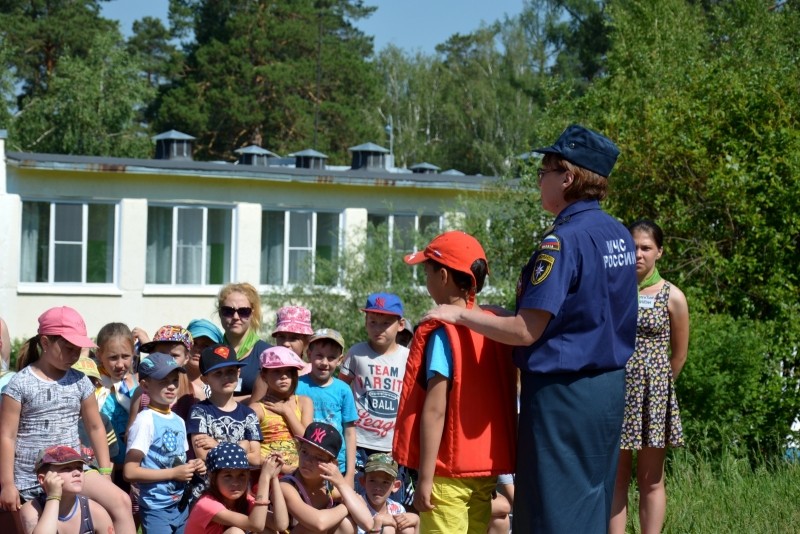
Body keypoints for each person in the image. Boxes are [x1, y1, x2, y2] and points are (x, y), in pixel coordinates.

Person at [421, 125, 638, 533]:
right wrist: (496, 314)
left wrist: (460, 315)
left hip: (563, 395)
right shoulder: (618, 234)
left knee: (550, 511)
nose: (540, 181)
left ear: (567, 177)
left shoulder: (562, 241)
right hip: (608, 389)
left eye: (544, 172)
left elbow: (525, 332)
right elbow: (581, 312)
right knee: (591, 503)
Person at [394, 231, 517, 533]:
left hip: (447, 472)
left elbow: (435, 410)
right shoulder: (496, 328)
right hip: (484, 470)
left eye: (427, 272)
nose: (426, 280)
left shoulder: (443, 334)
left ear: (444, 276)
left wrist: (424, 479)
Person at [0, 306, 135, 534]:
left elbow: (95, 427)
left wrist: (104, 472)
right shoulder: (19, 384)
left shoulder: (80, 381)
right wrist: (7, 484)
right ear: (45, 342)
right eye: (69, 348)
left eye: (78, 349)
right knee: (35, 524)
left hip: (75, 469)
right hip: (31, 478)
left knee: (121, 501)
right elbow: (7, 435)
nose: (74, 355)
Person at [610, 219, 689, 534]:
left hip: (653, 396)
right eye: (633, 247)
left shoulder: (673, 296)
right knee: (616, 478)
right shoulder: (613, 290)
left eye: (646, 248)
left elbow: (679, 355)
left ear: (660, 252)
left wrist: (658, 388)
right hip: (615, 390)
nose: (638, 254)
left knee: (651, 479)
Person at [339, 293, 411, 501]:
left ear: (400, 325)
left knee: (390, 502)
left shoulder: (408, 357)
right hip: (359, 443)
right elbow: (341, 390)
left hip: (392, 446)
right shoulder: (356, 353)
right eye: (373, 322)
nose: (378, 328)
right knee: (357, 499)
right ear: (365, 322)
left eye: (386, 323)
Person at [123, 353, 206, 533]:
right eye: (163, 381)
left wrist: (193, 465)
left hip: (181, 504)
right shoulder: (145, 421)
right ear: (145, 385)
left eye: (175, 380)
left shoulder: (179, 421)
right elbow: (130, 471)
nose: (171, 386)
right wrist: (174, 473)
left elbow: (178, 461)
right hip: (156, 508)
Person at [281, 422, 373, 533]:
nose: (308, 461)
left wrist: (341, 484)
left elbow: (368, 523)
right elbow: (320, 523)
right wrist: (346, 506)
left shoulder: (329, 486)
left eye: (318, 457)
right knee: (311, 528)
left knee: (346, 524)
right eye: (304, 452)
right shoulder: (287, 485)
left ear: (333, 464)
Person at [297, 329, 358, 485]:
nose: (324, 362)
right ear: (309, 355)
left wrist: (350, 474)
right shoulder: (297, 386)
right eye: (319, 356)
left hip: (335, 466)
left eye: (331, 358)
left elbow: (350, 432)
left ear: (340, 360)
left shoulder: (344, 390)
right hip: (304, 463)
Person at [185, 442, 288, 534]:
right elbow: (256, 525)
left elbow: (281, 525)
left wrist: (274, 477)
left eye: (241, 475)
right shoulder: (207, 504)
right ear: (213, 477)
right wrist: (264, 477)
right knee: (235, 532)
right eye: (228, 476)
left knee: (268, 531)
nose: (235, 483)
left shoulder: (244, 500)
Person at [187, 344, 262, 466]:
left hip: (241, 478)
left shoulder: (249, 414)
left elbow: (256, 459)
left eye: (230, 371)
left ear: (238, 373)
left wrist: (217, 445)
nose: (226, 377)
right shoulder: (199, 411)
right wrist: (241, 448)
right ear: (205, 379)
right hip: (211, 478)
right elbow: (203, 455)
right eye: (218, 373)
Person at [19, 445, 114, 534]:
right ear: (43, 479)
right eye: (67, 468)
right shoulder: (32, 509)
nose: (77, 473)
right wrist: (53, 497)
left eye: (79, 468)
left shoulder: (95, 512)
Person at [250, 346, 312, 473]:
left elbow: (308, 441)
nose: (284, 376)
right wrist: (284, 469)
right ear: (263, 375)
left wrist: (287, 412)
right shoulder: (257, 409)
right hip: (268, 474)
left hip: (300, 474)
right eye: (276, 371)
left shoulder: (304, 402)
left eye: (289, 371)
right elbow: (252, 454)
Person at [93, 323, 138, 473]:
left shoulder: (139, 384)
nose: (120, 364)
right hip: (103, 465)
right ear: (99, 354)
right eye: (113, 358)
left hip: (133, 464)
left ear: (133, 352)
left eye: (125, 356)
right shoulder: (93, 384)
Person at [217, 283, 271, 403]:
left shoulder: (269, 354)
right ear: (220, 313)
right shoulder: (210, 353)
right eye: (228, 311)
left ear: (252, 314)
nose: (236, 317)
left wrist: (228, 402)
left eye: (243, 311)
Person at [250, 305, 315, 403]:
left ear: (306, 341)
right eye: (281, 337)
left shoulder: (313, 372)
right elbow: (254, 408)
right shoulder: (268, 373)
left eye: (294, 338)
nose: (286, 343)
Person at [131, 325, 195, 423]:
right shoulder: (142, 391)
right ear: (152, 354)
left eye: (174, 356)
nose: (167, 359)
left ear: (186, 358)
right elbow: (131, 429)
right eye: (162, 354)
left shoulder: (194, 393)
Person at [356, 453, 418, 534]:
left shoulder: (398, 509)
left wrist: (417, 521)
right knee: (387, 529)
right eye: (372, 481)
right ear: (363, 481)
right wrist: (378, 522)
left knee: (408, 529)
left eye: (385, 482)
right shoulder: (358, 506)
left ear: (395, 486)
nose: (378, 487)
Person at [186, 319, 224, 402]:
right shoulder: (171, 376)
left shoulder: (218, 385)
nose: (198, 349)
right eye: (194, 343)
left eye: (205, 346)